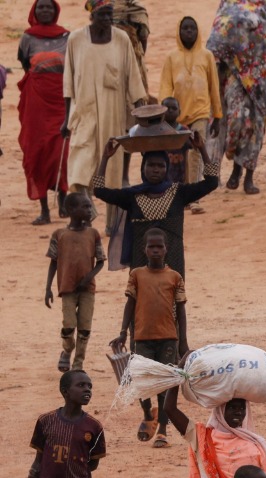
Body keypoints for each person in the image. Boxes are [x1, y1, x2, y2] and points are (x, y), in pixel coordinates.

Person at [92, 136, 219, 276]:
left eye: (161, 166)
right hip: (141, 265)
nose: (156, 170)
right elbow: (99, 191)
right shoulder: (132, 195)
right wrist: (105, 158)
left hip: (173, 264)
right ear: (143, 167)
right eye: (151, 165)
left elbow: (212, 182)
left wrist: (202, 149)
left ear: (167, 168)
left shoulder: (178, 192)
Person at [61, 0, 145, 197]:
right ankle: (85, 210)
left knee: (112, 171)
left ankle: (113, 215)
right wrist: (66, 119)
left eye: (110, 14)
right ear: (92, 16)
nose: (107, 19)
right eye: (102, 14)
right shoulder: (76, 39)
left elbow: (133, 76)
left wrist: (140, 112)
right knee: (79, 168)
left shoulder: (122, 39)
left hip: (112, 113)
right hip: (83, 113)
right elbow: (68, 83)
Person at [110, 228, 186, 447]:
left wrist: (183, 342)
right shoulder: (137, 275)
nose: (155, 250)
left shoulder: (175, 277)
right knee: (142, 382)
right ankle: (147, 414)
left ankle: (162, 430)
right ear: (144, 249)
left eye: (159, 246)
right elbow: (130, 304)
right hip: (142, 337)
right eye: (151, 246)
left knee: (163, 384)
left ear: (166, 249)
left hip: (168, 338)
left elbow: (181, 311)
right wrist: (123, 332)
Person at [206, 0, 266, 196]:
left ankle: (247, 175)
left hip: (261, 73)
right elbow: (217, 33)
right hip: (233, 71)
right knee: (235, 119)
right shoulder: (228, 3)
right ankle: (232, 165)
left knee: (255, 126)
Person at [17, 0, 72, 225]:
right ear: (34, 11)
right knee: (37, 151)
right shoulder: (27, 37)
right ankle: (44, 210)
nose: (45, 10)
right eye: (41, 7)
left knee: (61, 152)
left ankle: (63, 200)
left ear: (56, 10)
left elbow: (73, 67)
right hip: (37, 102)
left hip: (62, 100)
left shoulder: (67, 36)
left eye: (49, 7)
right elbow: (25, 65)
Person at [44, 192, 106, 373]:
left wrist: (88, 278)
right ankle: (67, 349)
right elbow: (53, 262)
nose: (89, 210)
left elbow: (101, 261)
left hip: (87, 289)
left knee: (85, 328)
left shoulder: (93, 234)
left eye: (90, 206)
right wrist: (48, 288)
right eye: (85, 206)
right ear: (71, 209)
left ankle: (78, 363)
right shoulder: (59, 234)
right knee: (68, 326)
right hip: (67, 288)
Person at [157, 15, 221, 188]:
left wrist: (217, 116)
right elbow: (165, 86)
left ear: (198, 31)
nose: (189, 31)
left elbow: (214, 87)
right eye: (185, 28)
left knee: (196, 151)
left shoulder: (207, 56)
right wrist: (163, 114)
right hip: (176, 115)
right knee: (177, 153)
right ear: (179, 32)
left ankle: (193, 191)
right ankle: (178, 188)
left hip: (200, 112)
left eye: (193, 28)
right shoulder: (171, 57)